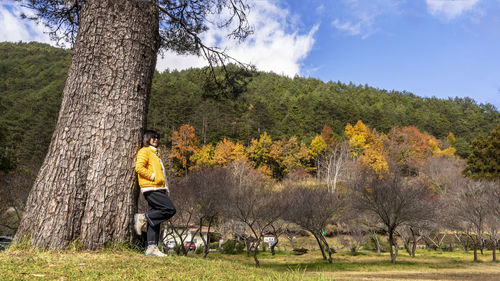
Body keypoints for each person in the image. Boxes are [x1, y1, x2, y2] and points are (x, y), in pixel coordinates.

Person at [134, 130, 176, 257]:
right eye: (153, 137)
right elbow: (139, 167)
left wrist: (165, 187)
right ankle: (142, 218)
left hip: (159, 188)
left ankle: (151, 248)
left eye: (157, 137)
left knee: (155, 219)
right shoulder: (145, 151)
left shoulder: (156, 153)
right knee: (170, 209)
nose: (156, 139)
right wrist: (152, 177)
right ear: (147, 138)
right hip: (151, 188)